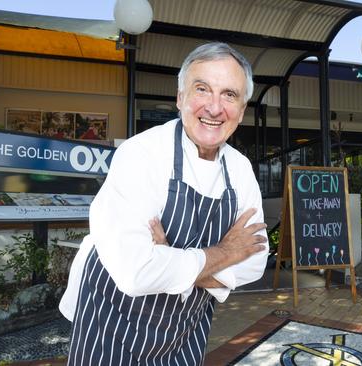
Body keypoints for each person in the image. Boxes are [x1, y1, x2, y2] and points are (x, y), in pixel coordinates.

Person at [59, 42, 268, 365]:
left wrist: (167, 257)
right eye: (202, 89)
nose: (214, 108)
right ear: (180, 98)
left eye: (229, 95)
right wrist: (226, 253)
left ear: (241, 110)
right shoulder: (141, 155)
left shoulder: (240, 170)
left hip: (185, 329)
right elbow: (136, 272)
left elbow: (254, 262)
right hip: (111, 322)